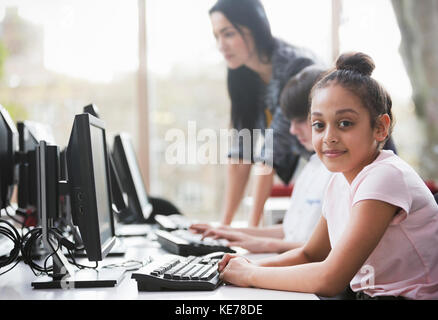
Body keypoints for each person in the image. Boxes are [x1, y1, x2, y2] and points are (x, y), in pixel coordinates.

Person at [216, 52, 438, 300]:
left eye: (345, 123)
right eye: (319, 125)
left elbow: (330, 279)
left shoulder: (385, 176)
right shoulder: (338, 180)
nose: (329, 137)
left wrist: (249, 275)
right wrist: (243, 269)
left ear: (380, 128)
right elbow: (311, 254)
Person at [190, 65, 331, 253]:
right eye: (291, 122)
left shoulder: (337, 175)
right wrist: (229, 232)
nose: (292, 130)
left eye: (300, 121)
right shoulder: (312, 168)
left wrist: (264, 246)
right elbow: (291, 232)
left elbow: (326, 250)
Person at [209, 0, 322, 227]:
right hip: (321, 170)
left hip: (356, 169)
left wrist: (250, 231)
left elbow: (269, 155)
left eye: (228, 34)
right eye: (216, 36)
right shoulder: (242, 75)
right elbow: (241, 154)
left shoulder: (296, 66)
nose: (221, 45)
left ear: (255, 27)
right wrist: (223, 228)